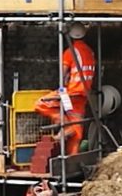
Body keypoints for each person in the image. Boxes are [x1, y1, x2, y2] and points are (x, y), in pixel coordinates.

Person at [34, 22, 96, 155]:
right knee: (77, 132)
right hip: (83, 94)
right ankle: (71, 161)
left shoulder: (70, 52)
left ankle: (65, 125)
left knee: (41, 104)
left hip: (71, 93)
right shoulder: (90, 52)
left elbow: (62, 76)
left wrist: (61, 89)